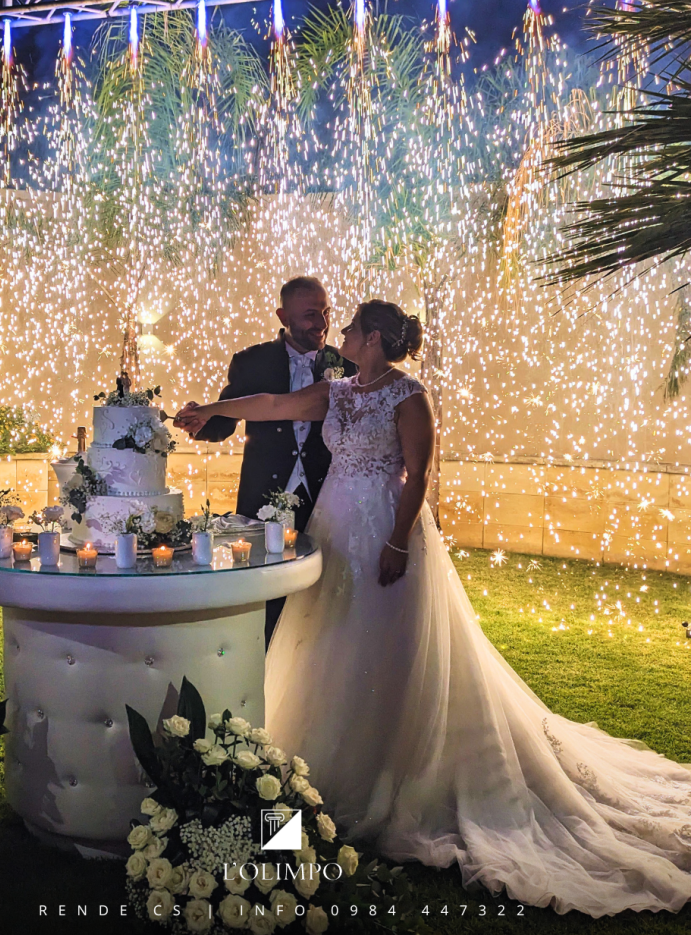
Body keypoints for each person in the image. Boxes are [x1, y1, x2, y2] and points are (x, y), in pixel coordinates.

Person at [175, 298, 691, 917]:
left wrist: (397, 541)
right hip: (334, 527)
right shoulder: (337, 391)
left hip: (385, 531)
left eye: (350, 327)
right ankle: (321, 762)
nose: (341, 333)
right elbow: (272, 406)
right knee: (328, 642)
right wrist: (213, 408)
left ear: (372, 338)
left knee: (381, 643)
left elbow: (418, 474)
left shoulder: (409, 395)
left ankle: (392, 770)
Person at [185, 276, 355, 646]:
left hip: (327, 495)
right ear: (283, 316)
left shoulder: (347, 364)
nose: (322, 323)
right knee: (264, 592)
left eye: (326, 312)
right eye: (310, 314)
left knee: (322, 593)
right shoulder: (252, 362)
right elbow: (223, 421)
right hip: (263, 495)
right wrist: (198, 421)